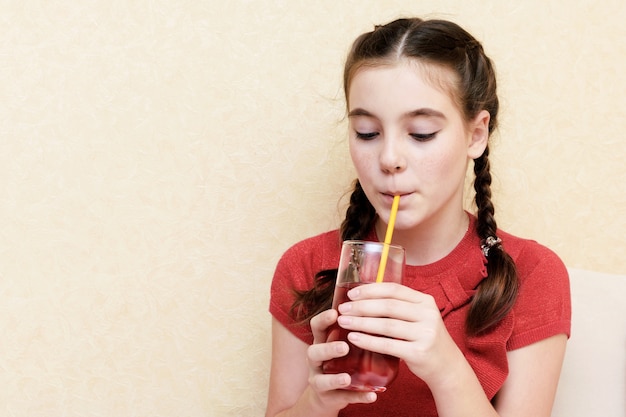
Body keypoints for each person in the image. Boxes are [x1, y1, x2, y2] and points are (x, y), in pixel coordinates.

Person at [266, 17, 571, 417]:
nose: (389, 158)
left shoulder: (532, 272)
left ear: (476, 134)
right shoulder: (308, 266)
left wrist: (446, 368)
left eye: (422, 133)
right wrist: (316, 402)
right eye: (367, 132)